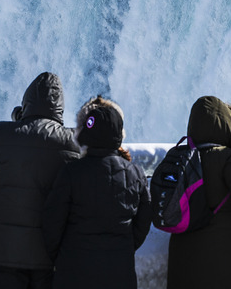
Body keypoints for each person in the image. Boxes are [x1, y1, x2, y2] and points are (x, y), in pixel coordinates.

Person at [0, 72, 82, 289]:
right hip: (49, 254)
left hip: (3, 250)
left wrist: (18, 123)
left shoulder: (1, 133)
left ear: (26, 102)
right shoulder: (72, 142)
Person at [42, 96, 152, 289]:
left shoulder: (71, 172)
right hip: (120, 272)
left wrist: (63, 255)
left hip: (74, 272)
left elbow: (52, 222)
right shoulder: (136, 174)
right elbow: (143, 221)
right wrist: (124, 247)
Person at [166, 96, 231, 289]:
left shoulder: (178, 156)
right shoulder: (223, 157)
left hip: (182, 256)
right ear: (225, 126)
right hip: (220, 256)